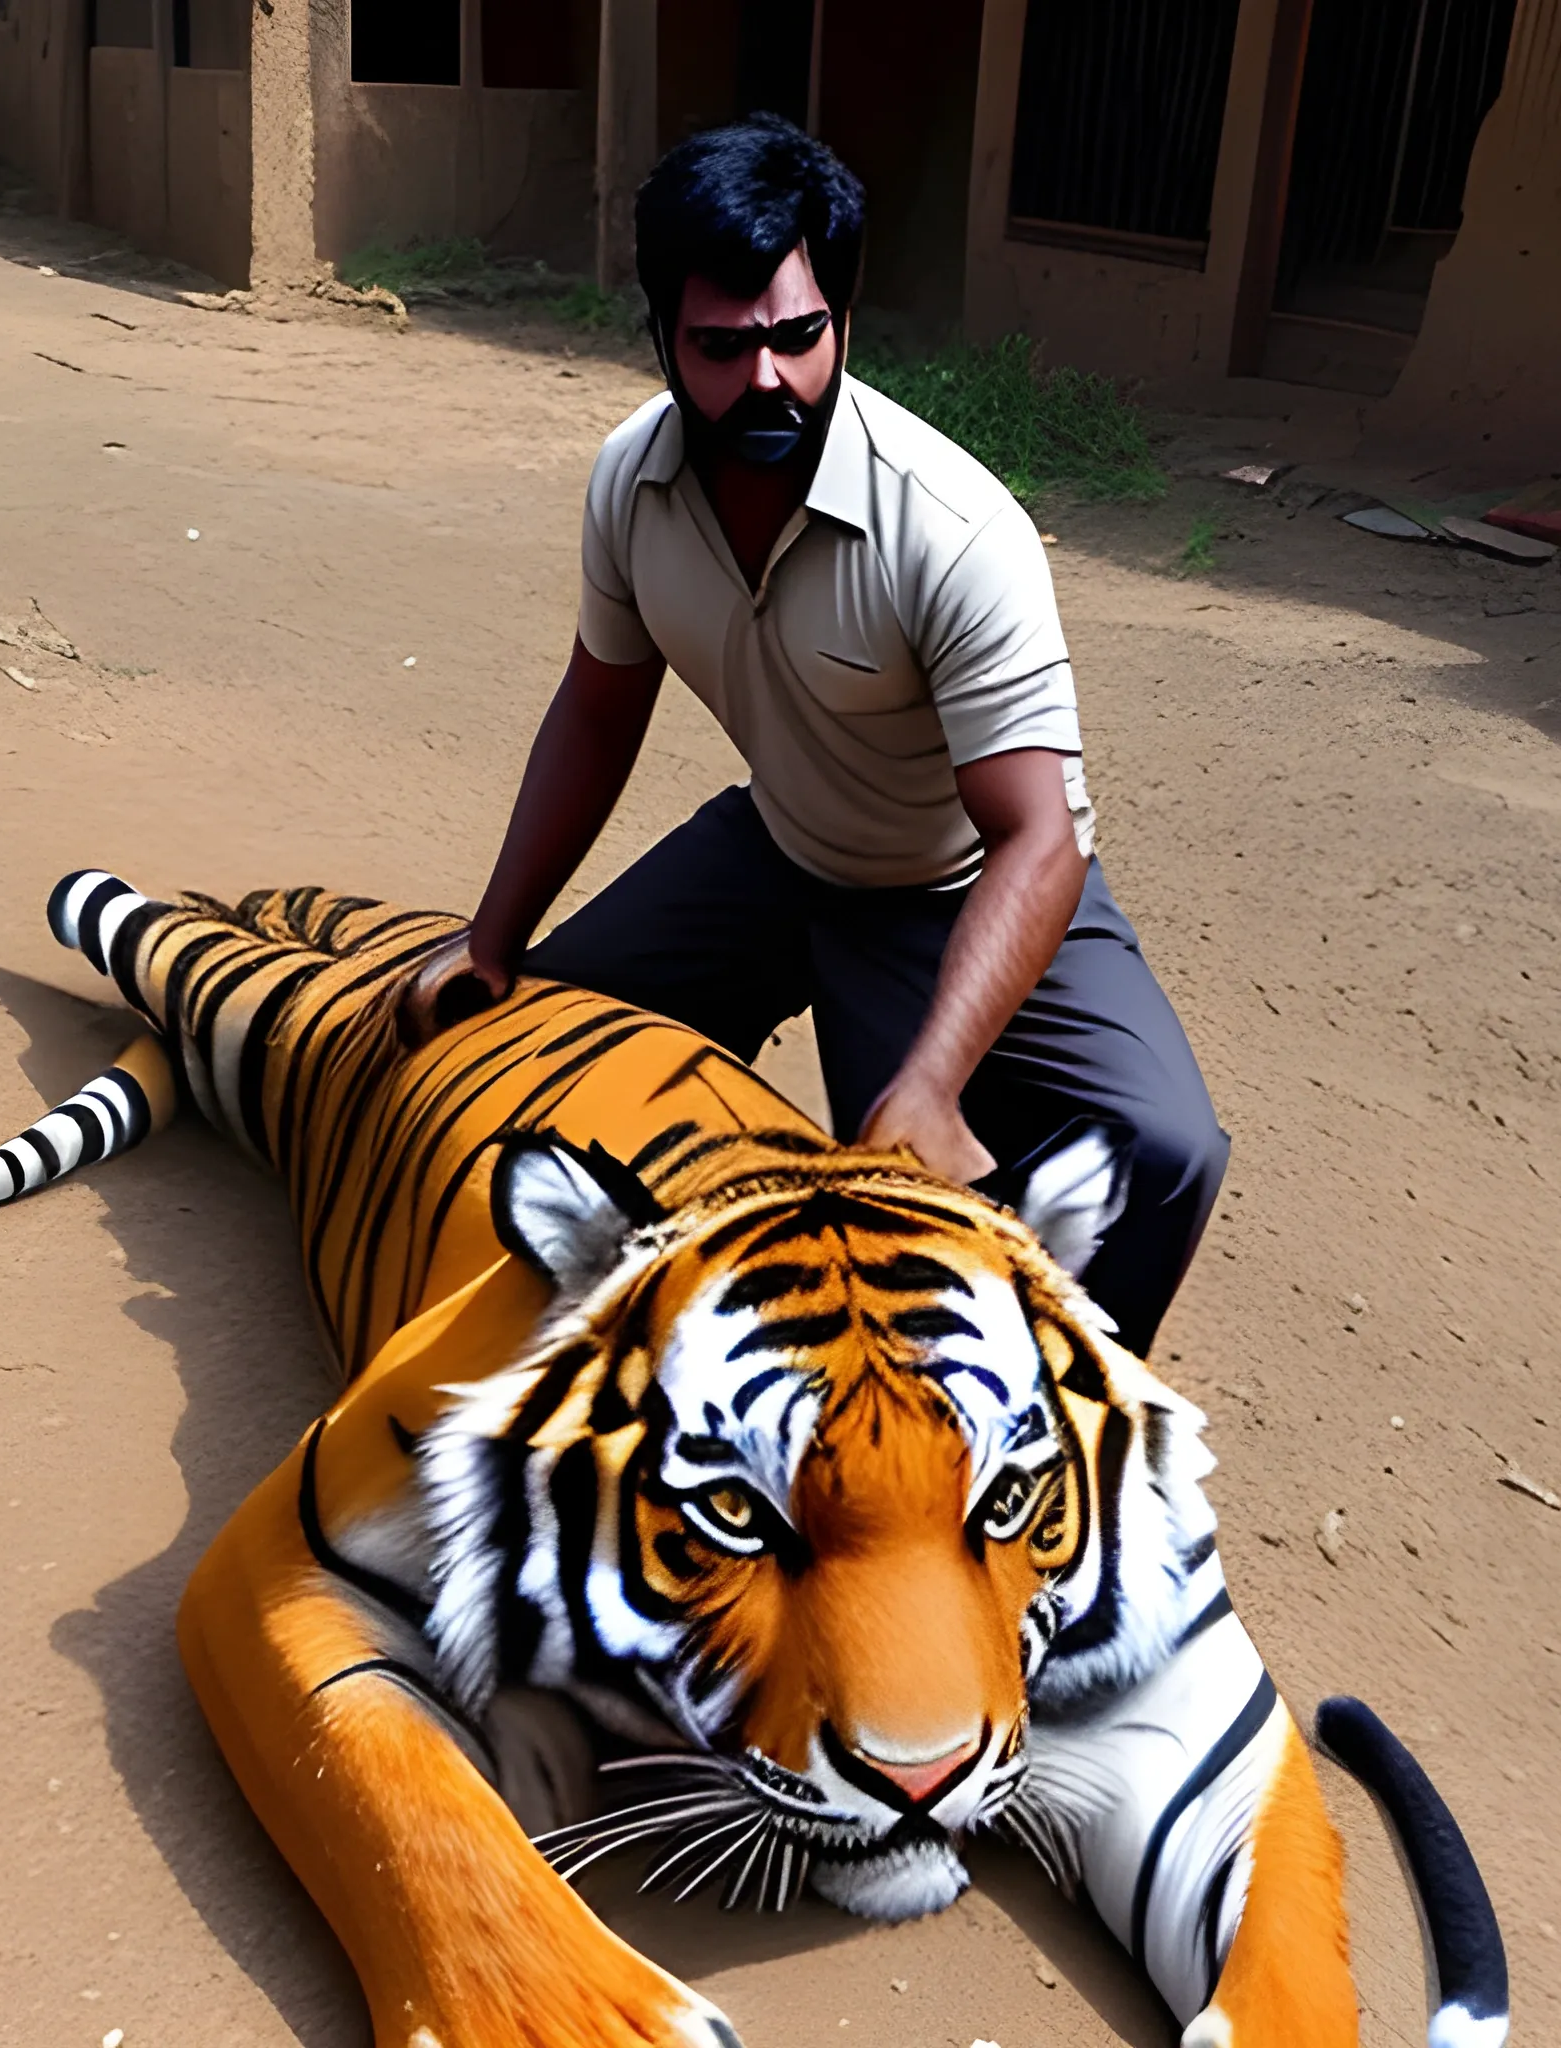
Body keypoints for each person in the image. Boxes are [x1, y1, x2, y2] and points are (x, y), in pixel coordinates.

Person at [416, 114, 1226, 1358]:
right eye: (722, 346)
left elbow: (1037, 835)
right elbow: (596, 706)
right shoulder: (627, 487)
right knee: (528, 1061)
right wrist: (491, 936)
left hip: (946, 881)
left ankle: (1054, 1433)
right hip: (773, 847)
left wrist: (935, 1075)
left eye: (798, 338)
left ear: (839, 319)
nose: (767, 379)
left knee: (1161, 1145)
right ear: (662, 338)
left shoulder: (951, 528)